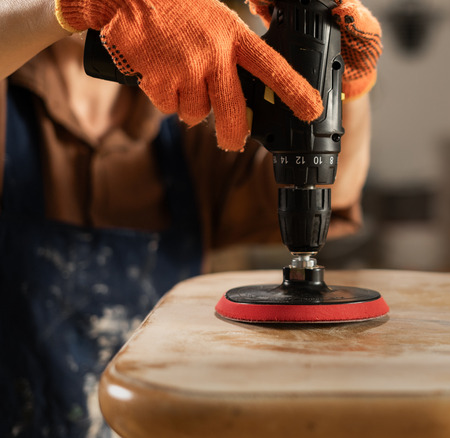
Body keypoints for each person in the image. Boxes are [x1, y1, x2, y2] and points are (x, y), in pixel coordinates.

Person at [0, 0, 381, 436]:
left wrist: (345, 83)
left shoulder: (191, 105)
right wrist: (81, 6)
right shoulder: (11, 85)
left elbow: (332, 185)